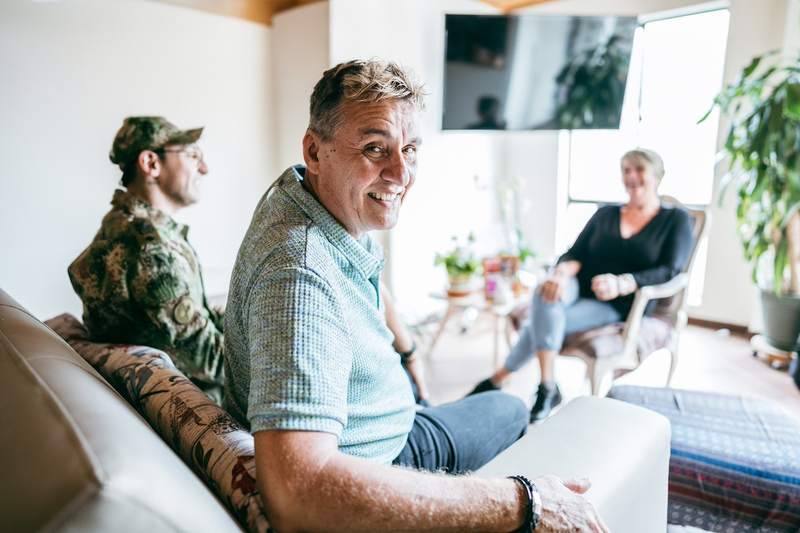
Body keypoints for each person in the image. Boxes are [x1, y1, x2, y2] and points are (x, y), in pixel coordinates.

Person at [224, 59, 607, 532]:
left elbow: (364, 272)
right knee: (508, 408)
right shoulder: (298, 276)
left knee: (491, 403)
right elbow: (299, 489)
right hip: (381, 457)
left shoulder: (311, 201)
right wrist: (524, 502)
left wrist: (407, 352)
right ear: (315, 150)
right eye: (375, 148)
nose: (401, 173)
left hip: (384, 416)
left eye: (410, 149)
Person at [470, 148, 694, 422]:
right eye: (626, 170)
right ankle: (548, 384)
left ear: (657, 176)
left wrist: (624, 283)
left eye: (639, 170)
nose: (631, 177)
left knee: (542, 321)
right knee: (546, 289)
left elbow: (669, 270)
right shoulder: (606, 214)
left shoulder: (675, 220)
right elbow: (575, 253)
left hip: (618, 303)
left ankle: (501, 377)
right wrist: (560, 274)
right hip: (578, 286)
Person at [68, 116, 225, 403]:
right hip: (210, 402)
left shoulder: (126, 226)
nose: (204, 168)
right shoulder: (150, 251)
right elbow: (209, 361)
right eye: (192, 156)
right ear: (151, 163)